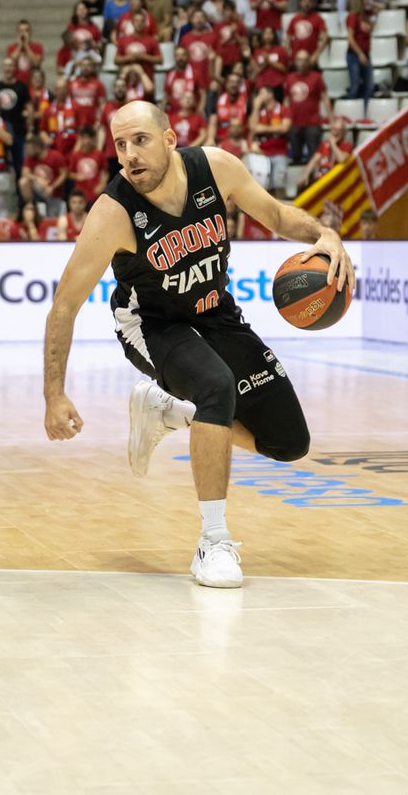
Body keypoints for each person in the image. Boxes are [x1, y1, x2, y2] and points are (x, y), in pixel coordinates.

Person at [42, 102, 354, 588]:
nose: (129, 155)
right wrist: (54, 394)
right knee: (215, 386)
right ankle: (213, 541)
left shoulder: (215, 167)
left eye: (140, 140)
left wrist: (324, 234)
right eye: (120, 145)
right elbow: (64, 305)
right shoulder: (113, 212)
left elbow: (274, 215)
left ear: (169, 140)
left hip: (215, 312)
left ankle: (173, 411)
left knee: (289, 444)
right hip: (152, 325)